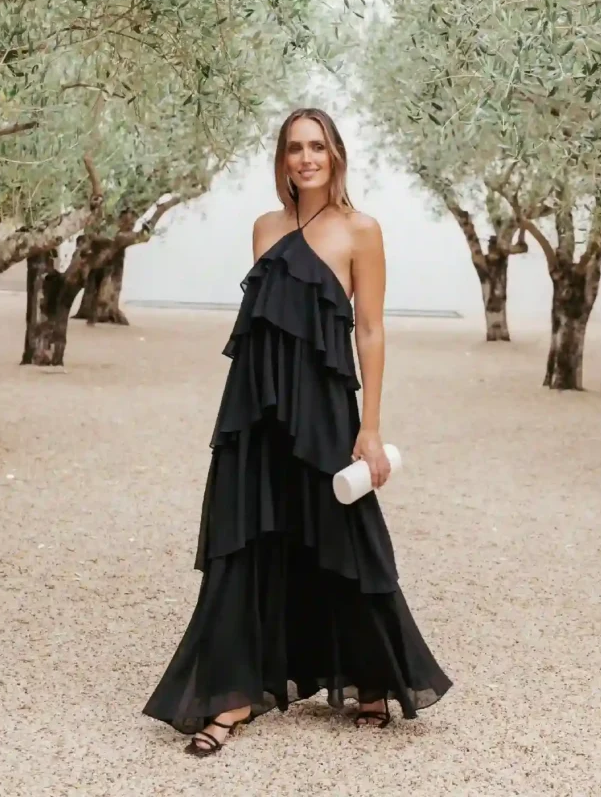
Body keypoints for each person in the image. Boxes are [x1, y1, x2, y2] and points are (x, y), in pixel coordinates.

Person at [142, 108, 452, 756]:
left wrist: (369, 429)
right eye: (293, 148)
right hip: (254, 409)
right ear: (281, 160)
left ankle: (371, 678)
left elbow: (368, 329)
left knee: (344, 537)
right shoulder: (263, 228)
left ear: (335, 154)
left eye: (316, 146)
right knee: (244, 539)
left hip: (324, 408)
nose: (305, 158)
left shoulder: (360, 231)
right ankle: (230, 696)